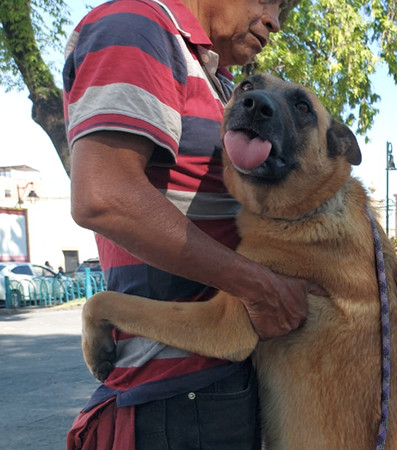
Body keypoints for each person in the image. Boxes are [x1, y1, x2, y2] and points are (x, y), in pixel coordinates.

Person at [63, 0, 315, 448]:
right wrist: (260, 287)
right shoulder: (137, 26)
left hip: (222, 376)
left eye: (283, 10)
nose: (275, 21)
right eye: (268, 1)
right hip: (179, 392)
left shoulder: (215, 77)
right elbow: (104, 197)